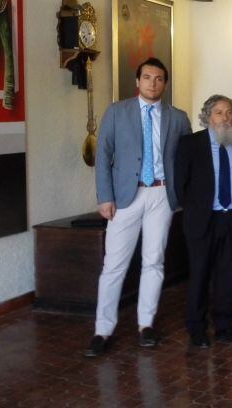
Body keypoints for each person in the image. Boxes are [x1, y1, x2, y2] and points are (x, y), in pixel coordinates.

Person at [85, 57, 191, 357]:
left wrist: (180, 196)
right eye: (147, 77)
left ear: (165, 83)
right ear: (137, 81)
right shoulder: (117, 112)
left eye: (158, 79)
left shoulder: (178, 117)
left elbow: (185, 160)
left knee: (154, 261)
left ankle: (146, 324)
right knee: (113, 266)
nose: (153, 83)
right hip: (125, 198)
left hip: (161, 196)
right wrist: (104, 197)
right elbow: (103, 156)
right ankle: (102, 330)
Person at [175, 95, 232, 348]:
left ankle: (224, 327)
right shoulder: (190, 144)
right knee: (199, 274)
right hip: (202, 221)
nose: (225, 117)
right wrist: (196, 211)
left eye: (229, 112)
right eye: (218, 112)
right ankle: (196, 329)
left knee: (228, 276)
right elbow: (180, 185)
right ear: (207, 116)